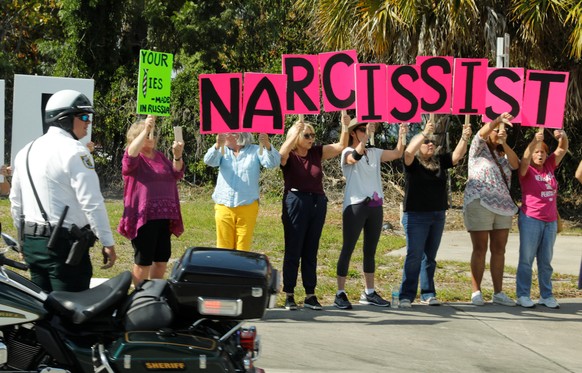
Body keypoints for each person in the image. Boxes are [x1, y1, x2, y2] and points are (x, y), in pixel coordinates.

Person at [9, 89, 116, 292]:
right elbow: (92, 202)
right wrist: (107, 241)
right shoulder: (75, 151)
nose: (88, 122)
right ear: (65, 119)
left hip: (33, 243)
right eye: (84, 116)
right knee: (71, 313)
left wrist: (23, 242)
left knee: (42, 313)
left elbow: (16, 203)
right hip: (63, 247)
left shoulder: (26, 150)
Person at [398, 119, 472, 308]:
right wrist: (424, 132)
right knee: (414, 255)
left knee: (429, 257)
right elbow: (407, 152)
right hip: (416, 216)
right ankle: (406, 295)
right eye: (426, 143)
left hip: (437, 215)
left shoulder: (439, 161)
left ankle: (428, 293)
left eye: (432, 142)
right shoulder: (412, 163)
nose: (431, 144)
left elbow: (456, 156)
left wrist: (464, 138)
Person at [333, 118, 406, 309]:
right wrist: (364, 140)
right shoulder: (347, 152)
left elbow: (398, 153)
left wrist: (402, 134)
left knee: (370, 250)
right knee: (348, 248)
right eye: (362, 129)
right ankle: (340, 292)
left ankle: (369, 292)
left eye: (368, 129)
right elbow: (353, 159)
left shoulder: (375, 152)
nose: (366, 131)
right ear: (353, 133)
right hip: (355, 205)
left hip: (375, 205)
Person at [279, 114, 349, 310]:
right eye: (307, 135)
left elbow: (340, 146)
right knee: (294, 248)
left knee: (311, 250)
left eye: (313, 135)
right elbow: (282, 153)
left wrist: (344, 127)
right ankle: (289, 294)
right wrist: (294, 132)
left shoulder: (316, 152)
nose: (311, 139)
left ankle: (310, 294)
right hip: (296, 202)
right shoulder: (290, 156)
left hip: (317, 202)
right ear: (296, 136)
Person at [117, 115, 184, 286]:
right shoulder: (134, 158)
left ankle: (153, 294)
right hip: (144, 217)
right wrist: (145, 129)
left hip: (164, 216)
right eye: (148, 134)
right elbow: (130, 155)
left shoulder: (160, 156)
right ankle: (140, 298)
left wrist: (177, 156)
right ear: (136, 138)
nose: (151, 137)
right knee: (143, 261)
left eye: (153, 133)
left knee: (161, 260)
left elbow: (177, 173)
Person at [463, 112, 519, 306]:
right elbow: (480, 133)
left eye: (504, 131)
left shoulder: (503, 156)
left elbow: (516, 164)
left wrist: (504, 144)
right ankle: (476, 291)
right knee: (480, 248)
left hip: (503, 206)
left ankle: (498, 292)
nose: (500, 133)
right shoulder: (477, 149)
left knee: (499, 250)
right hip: (480, 202)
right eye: (497, 131)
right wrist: (496, 121)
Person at [515, 129, 568, 309]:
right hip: (531, 218)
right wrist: (533, 142)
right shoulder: (526, 169)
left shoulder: (549, 166)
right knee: (526, 259)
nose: (540, 155)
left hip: (550, 221)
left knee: (545, 261)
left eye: (543, 152)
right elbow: (523, 160)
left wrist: (563, 137)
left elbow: (562, 150)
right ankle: (522, 294)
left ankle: (546, 295)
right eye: (537, 152)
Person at [204, 132, 281, 251]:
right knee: (223, 247)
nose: (222, 134)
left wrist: (267, 144)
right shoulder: (222, 149)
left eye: (226, 133)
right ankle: (224, 269)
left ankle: (240, 269)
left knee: (243, 248)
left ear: (236, 135)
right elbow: (208, 161)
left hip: (247, 206)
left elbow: (273, 163)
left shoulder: (255, 150)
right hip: (223, 205)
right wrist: (217, 145)